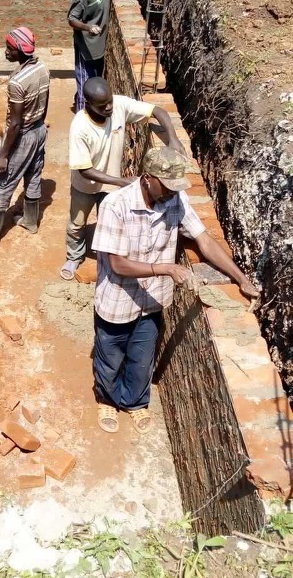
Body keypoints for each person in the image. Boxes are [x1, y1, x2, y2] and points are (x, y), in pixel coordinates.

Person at [92, 146, 260, 435]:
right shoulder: (115, 205)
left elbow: (203, 240)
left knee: (142, 359)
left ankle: (134, 402)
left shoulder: (174, 199)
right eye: (167, 186)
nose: (172, 192)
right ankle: (107, 399)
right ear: (147, 179)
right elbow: (118, 264)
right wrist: (167, 269)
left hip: (152, 300)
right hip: (117, 300)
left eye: (175, 187)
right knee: (110, 358)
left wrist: (240, 278)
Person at [60, 75, 185, 281]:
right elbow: (85, 170)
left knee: (108, 222)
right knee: (77, 222)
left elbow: (157, 111)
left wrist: (172, 138)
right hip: (86, 185)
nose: (109, 108)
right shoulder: (80, 127)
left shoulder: (118, 105)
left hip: (110, 186)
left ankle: (106, 259)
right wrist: (121, 182)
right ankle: (74, 256)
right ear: (89, 104)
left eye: (109, 101)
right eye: (102, 106)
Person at [0, 27, 50, 245]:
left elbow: (15, 123)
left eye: (10, 49)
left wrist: (3, 155)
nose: (6, 52)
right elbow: (46, 102)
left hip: (23, 136)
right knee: (33, 175)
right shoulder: (43, 68)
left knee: (2, 180)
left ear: (20, 51)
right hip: (39, 130)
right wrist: (40, 126)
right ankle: (30, 220)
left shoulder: (17, 82)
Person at [68, 0, 131, 113]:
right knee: (85, 83)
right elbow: (72, 19)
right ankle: (81, 119)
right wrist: (88, 27)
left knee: (95, 79)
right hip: (86, 47)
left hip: (99, 46)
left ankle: (86, 105)